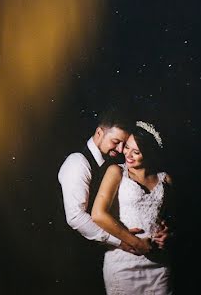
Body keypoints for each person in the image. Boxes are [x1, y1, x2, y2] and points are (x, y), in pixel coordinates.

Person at [58, 109, 151, 292]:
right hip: (74, 257)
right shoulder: (78, 162)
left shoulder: (111, 163)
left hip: (106, 258)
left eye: (123, 145)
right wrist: (121, 240)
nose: (119, 150)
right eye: (115, 142)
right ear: (99, 133)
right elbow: (76, 217)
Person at [92, 120, 173, 295]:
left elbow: (174, 219)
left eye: (136, 152)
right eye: (127, 147)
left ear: (150, 153)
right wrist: (135, 242)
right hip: (124, 263)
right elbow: (98, 214)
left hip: (159, 264)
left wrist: (169, 233)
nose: (127, 154)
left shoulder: (165, 179)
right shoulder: (116, 172)